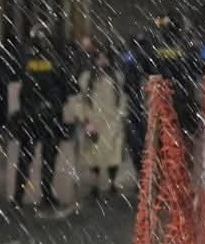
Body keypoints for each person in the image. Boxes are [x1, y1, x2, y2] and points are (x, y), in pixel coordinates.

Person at [128, 12, 202, 172]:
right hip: (181, 100)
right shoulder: (187, 44)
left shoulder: (154, 44)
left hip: (161, 101)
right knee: (182, 144)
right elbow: (198, 68)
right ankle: (179, 172)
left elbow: (143, 68)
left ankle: (163, 172)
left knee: (159, 144)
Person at [11, 24, 73, 212]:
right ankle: (45, 194)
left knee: (26, 158)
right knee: (48, 158)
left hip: (30, 116)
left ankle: (18, 196)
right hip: (48, 117)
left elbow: (17, 82)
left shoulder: (26, 60)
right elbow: (67, 85)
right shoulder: (54, 60)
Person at [70, 44, 128, 202]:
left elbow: (122, 99)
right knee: (93, 156)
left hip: (112, 121)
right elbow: (81, 100)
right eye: (99, 58)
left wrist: (120, 116)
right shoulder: (86, 78)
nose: (102, 61)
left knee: (113, 154)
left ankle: (112, 183)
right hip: (94, 121)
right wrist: (84, 120)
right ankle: (95, 187)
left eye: (105, 57)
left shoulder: (116, 77)